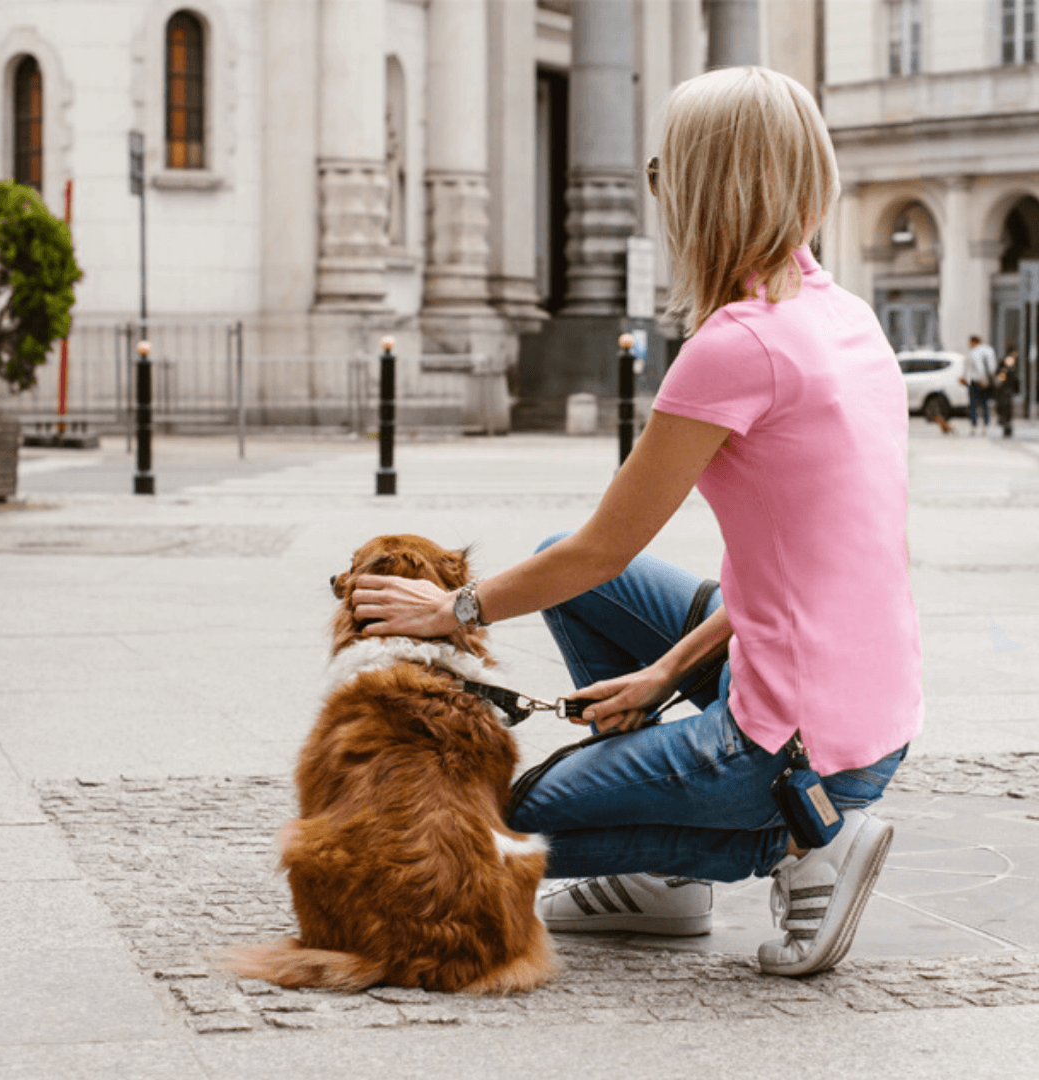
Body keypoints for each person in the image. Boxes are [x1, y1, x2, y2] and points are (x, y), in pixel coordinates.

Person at [350, 67, 922, 978]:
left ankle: (806, 847)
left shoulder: (734, 346)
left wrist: (453, 609)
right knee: (586, 589)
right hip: (871, 713)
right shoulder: (847, 319)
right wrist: (659, 671)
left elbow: (601, 547)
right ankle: (670, 880)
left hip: (798, 755)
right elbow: (822, 567)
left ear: (699, 189)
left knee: (505, 821)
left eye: (665, 176)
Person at [963, 334, 997, 435]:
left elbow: (978, 367)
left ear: (974, 342)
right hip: (987, 381)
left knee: (973, 404)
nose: (969, 344)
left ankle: (973, 426)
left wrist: (981, 379)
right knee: (985, 404)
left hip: (977, 381)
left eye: (970, 342)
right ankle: (985, 426)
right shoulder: (989, 350)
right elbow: (992, 367)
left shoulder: (974, 352)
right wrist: (988, 380)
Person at [994, 348, 1020, 438]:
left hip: (1008, 390)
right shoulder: (1004, 364)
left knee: (1007, 408)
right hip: (1003, 390)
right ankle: (1004, 421)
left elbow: (1015, 379)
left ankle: (1006, 424)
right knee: (1003, 407)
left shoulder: (1012, 367)